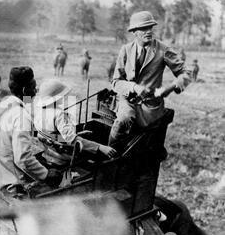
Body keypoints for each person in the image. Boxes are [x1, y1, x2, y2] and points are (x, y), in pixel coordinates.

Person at [109, 11, 192, 149]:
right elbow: (116, 82)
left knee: (148, 146)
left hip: (150, 106)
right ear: (134, 31)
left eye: (150, 28)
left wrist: (172, 86)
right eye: (143, 28)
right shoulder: (126, 50)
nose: (148, 32)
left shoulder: (163, 50)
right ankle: (109, 156)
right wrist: (134, 87)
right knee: (122, 121)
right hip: (127, 101)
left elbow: (187, 72)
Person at [0, 67, 62, 199]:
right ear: (24, 90)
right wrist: (46, 174)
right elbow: (23, 159)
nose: (35, 91)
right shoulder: (22, 116)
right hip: (8, 179)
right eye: (33, 87)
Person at [33, 80, 117, 167]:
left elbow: (54, 136)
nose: (64, 97)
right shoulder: (59, 114)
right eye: (62, 96)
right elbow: (72, 140)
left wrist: (78, 134)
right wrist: (100, 147)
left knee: (86, 135)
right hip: (65, 154)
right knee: (99, 144)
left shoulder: (40, 111)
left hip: (50, 151)